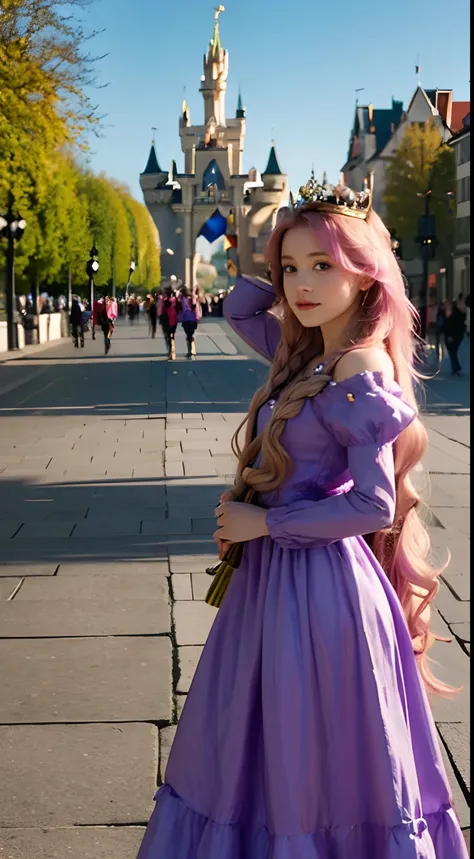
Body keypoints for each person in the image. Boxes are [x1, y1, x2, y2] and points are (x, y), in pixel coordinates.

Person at [136, 180, 468, 859]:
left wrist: (265, 526)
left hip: (321, 591)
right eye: (291, 267)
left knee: (307, 751)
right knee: (257, 742)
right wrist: (281, 231)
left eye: (324, 265)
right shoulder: (307, 351)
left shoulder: (358, 363)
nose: (299, 284)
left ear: (365, 271)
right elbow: (241, 303)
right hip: (274, 587)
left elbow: (373, 504)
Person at [177, 285, 202, 358]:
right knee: (190, 335)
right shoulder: (190, 299)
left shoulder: (183, 299)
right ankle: (191, 350)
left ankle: (190, 350)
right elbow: (194, 306)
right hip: (192, 319)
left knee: (188, 336)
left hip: (186, 319)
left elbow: (180, 308)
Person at [443, 299, 466, 376]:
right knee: (453, 352)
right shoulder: (458, 313)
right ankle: (456, 367)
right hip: (457, 335)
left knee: (452, 352)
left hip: (453, 336)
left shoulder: (453, 314)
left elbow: (450, 325)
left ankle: (455, 368)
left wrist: (450, 335)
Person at [158, 286, 178, 360]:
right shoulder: (174, 300)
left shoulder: (163, 300)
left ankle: (170, 352)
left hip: (167, 320)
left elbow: (160, 310)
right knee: (172, 336)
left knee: (168, 337)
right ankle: (172, 350)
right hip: (174, 319)